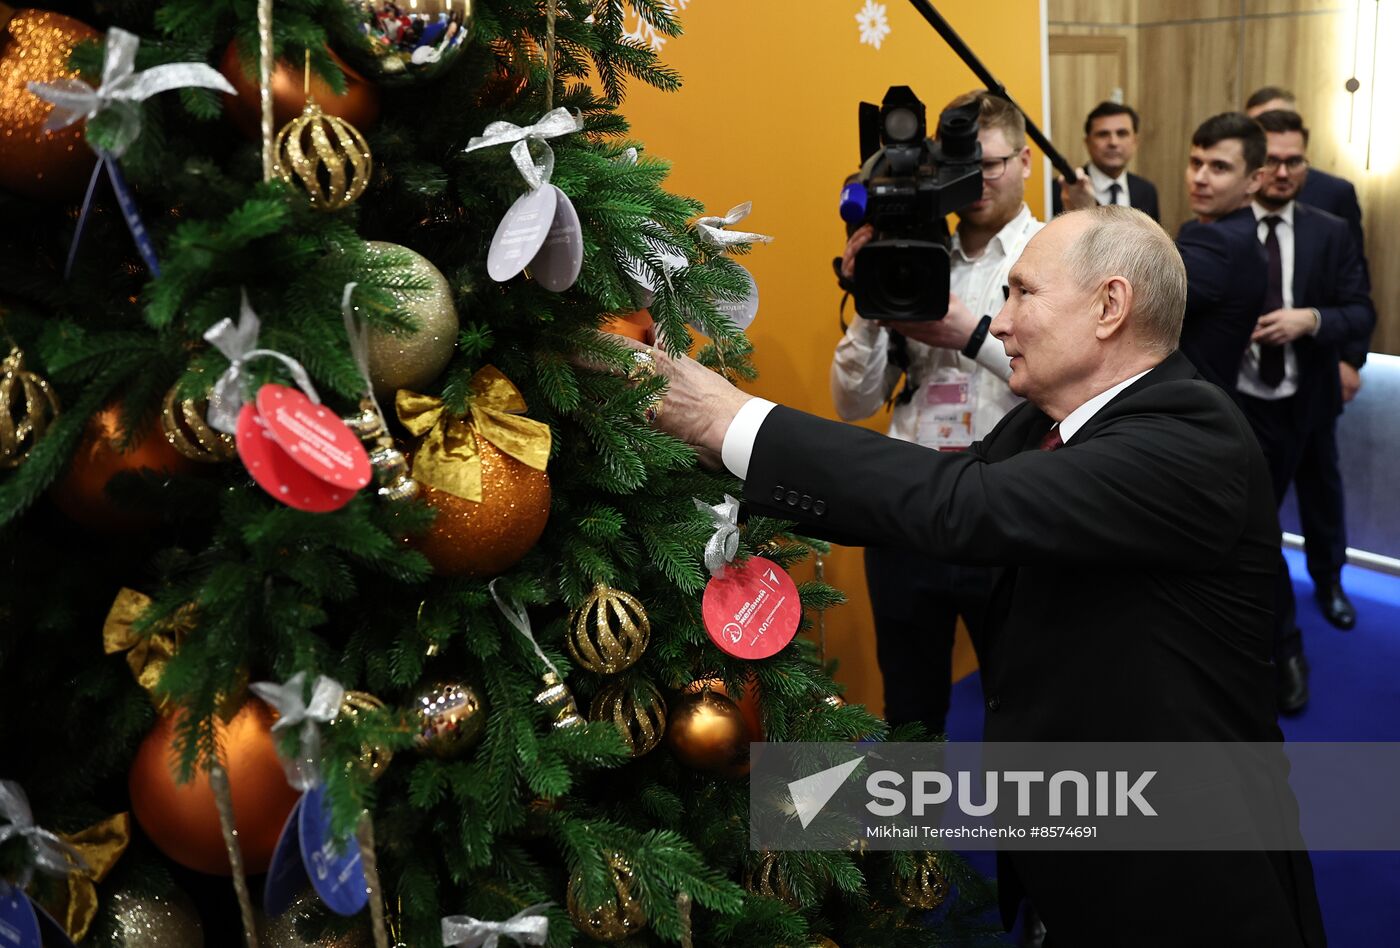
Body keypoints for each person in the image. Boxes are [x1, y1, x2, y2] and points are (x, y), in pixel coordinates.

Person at [615, 206, 1324, 946]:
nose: (1002, 322)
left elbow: (964, 507)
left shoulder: (1190, 437)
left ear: (1110, 306)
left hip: (1189, 877)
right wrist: (714, 455)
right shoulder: (1050, 424)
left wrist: (733, 420)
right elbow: (920, 497)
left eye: (1021, 293)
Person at [831, 90, 1043, 737]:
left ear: (1027, 161)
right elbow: (853, 401)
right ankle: (912, 841)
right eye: (957, 168)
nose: (972, 183)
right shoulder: (914, 249)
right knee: (910, 712)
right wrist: (868, 298)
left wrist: (969, 334)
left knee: (1023, 709)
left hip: (1013, 512)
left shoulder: (1057, 258)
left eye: (989, 164)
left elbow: (1072, 389)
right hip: (912, 511)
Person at [1239, 108, 1374, 712]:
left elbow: (1360, 310)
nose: (1284, 171)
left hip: (1308, 397)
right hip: (1240, 408)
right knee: (1252, 526)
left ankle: (1331, 584)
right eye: (1272, 159)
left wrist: (1311, 320)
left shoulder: (1329, 229)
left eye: (1296, 160)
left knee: (1322, 496)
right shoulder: (1218, 229)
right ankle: (1269, 642)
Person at [1174, 113, 1270, 392]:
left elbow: (1141, 299)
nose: (1200, 178)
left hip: (1189, 404)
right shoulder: (1203, 229)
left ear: (1254, 180)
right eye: (1195, 163)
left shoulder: (1220, 240)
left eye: (1219, 167)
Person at [1053, 101, 1159, 221]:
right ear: (1087, 142)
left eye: (1122, 133)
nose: (1113, 142)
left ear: (1135, 141)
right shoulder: (1062, 191)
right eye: (1103, 134)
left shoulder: (1146, 191)